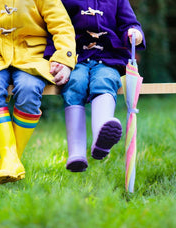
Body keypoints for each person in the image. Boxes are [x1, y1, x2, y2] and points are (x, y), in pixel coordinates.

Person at [0, 0, 76, 184]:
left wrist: (65, 59)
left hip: (31, 56)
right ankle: (11, 159)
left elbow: (61, 25)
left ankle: (10, 160)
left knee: (29, 88)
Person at [57, 0, 146, 172]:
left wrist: (135, 33)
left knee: (105, 80)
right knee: (75, 84)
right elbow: (56, 25)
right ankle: (76, 153)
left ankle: (101, 138)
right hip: (75, 58)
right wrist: (58, 58)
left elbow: (129, 22)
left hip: (108, 58)